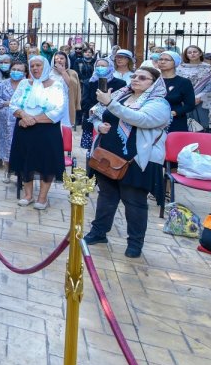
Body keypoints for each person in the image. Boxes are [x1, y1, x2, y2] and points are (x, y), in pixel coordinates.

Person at [81, 66, 170, 258]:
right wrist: (99, 125)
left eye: (143, 78)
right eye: (135, 76)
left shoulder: (159, 103)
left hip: (137, 160)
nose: (136, 79)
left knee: (134, 202)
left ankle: (135, 243)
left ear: (154, 84)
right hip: (108, 154)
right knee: (106, 196)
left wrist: (110, 103)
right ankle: (99, 232)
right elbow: (96, 113)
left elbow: (140, 119)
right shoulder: (121, 95)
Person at [8, 55, 67, 209]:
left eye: (38, 65)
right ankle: (28, 195)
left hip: (47, 130)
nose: (35, 68)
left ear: (46, 66)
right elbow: (13, 105)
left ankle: (42, 197)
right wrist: (24, 115)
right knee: (24, 161)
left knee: (46, 163)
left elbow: (59, 110)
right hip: (24, 129)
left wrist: (33, 119)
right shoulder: (23, 83)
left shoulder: (57, 85)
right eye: (32, 65)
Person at [0, 57, 25, 171]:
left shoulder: (28, 85)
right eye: (14, 69)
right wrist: (8, 103)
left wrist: (8, 104)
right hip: (4, 120)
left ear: (25, 72)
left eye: (19, 70)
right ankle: (7, 170)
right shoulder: (2, 84)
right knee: (5, 143)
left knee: (20, 145)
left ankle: (19, 172)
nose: (16, 72)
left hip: (23, 119)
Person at [79, 57, 126, 153]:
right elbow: (84, 103)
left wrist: (107, 107)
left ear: (110, 67)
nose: (100, 68)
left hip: (113, 120)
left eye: (103, 66)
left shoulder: (120, 83)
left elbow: (122, 102)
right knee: (92, 151)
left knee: (110, 151)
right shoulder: (89, 82)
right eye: (98, 66)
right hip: (91, 120)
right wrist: (98, 110)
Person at [179, 45, 211, 130]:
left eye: (195, 52)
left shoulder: (208, 67)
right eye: (189, 52)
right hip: (185, 100)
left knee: (203, 126)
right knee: (186, 125)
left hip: (203, 100)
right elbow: (179, 84)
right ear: (186, 55)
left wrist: (199, 97)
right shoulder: (180, 68)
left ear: (200, 53)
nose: (192, 54)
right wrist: (188, 97)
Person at [156, 51, 196, 133]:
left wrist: (173, 113)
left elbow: (190, 105)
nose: (162, 62)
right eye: (160, 59)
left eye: (167, 60)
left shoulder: (184, 82)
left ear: (175, 63)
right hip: (153, 119)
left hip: (175, 121)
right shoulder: (152, 80)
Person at [53, 52, 81, 128]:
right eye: (57, 59)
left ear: (66, 60)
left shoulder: (72, 73)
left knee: (65, 127)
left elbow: (72, 87)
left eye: (62, 58)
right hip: (51, 102)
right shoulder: (49, 73)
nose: (59, 60)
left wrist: (63, 72)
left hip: (66, 103)